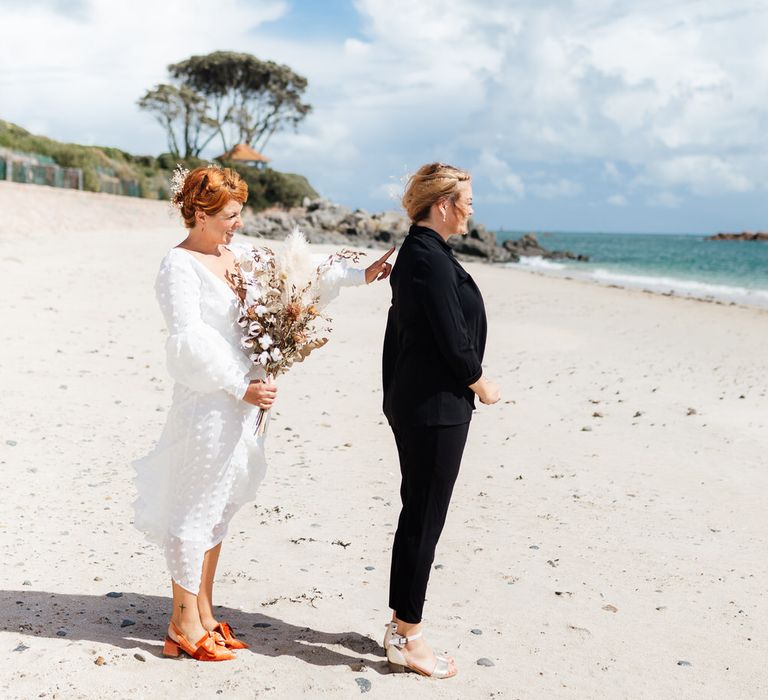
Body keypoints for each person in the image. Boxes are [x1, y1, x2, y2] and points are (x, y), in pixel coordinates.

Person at [133, 165, 393, 661]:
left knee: (222, 504)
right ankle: (181, 624)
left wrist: (362, 274)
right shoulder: (178, 265)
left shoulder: (245, 254)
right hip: (209, 402)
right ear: (200, 214)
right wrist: (239, 384)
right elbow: (187, 343)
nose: (238, 223)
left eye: (239, 214)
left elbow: (301, 281)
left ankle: (204, 612)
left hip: (250, 404)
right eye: (230, 216)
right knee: (194, 504)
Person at [381, 162, 500, 678]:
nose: (473, 209)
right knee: (424, 520)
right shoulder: (426, 258)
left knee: (419, 516)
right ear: (445, 205)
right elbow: (451, 337)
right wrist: (480, 381)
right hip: (433, 408)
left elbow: (404, 333)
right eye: (468, 200)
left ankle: (398, 626)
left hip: (426, 404)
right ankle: (408, 637)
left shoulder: (426, 251)